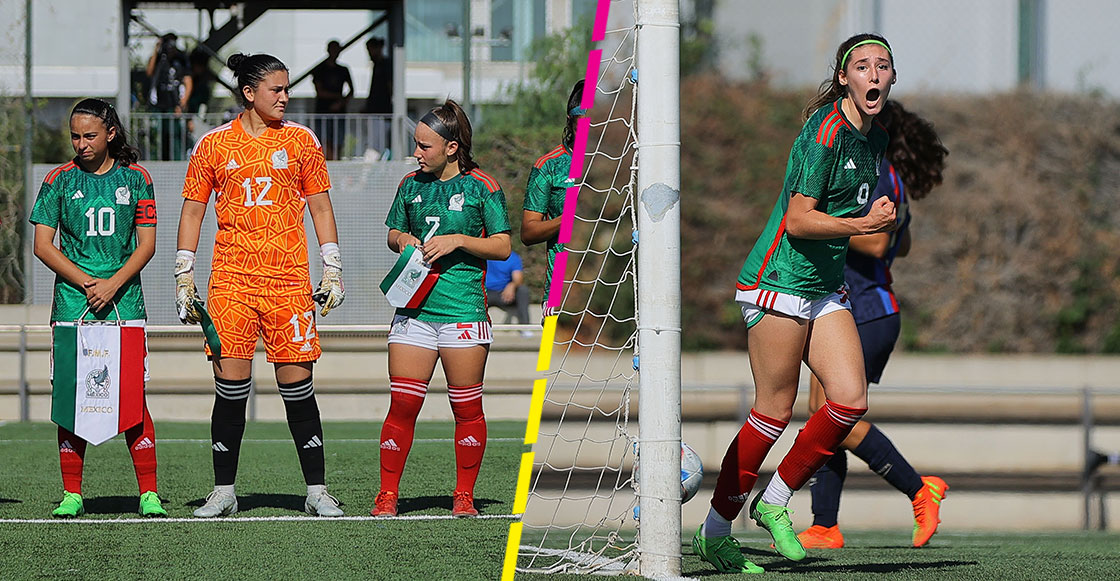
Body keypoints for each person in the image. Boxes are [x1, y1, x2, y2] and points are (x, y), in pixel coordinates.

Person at [691, 33, 898, 574]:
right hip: (778, 279)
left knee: (850, 400)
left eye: (883, 66)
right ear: (843, 79)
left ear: (892, 79)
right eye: (861, 67)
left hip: (824, 286)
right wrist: (864, 223)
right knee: (774, 409)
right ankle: (715, 532)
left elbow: (844, 214)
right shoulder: (824, 132)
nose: (873, 74)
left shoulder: (875, 140)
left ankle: (775, 500)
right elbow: (802, 220)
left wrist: (871, 214)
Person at [175, 52, 347, 518]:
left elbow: (321, 208)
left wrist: (332, 266)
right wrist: (183, 272)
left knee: (299, 388)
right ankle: (224, 492)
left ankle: (316, 491)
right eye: (277, 89)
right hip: (230, 282)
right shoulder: (212, 145)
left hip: (289, 283)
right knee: (230, 389)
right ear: (249, 93)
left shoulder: (301, 141)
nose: (286, 97)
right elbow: (193, 210)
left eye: (287, 88)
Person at [798, 100, 949, 549]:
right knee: (820, 417)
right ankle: (824, 524)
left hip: (864, 309)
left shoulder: (876, 167)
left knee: (832, 417)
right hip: (854, 305)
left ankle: (920, 490)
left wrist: (819, 223)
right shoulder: (884, 171)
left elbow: (880, 241)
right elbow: (901, 246)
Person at [374, 99, 512, 518]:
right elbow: (393, 232)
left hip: (463, 313)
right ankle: (387, 496)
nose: (417, 153)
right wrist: (402, 241)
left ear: (452, 147)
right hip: (414, 312)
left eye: (425, 146)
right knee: (402, 405)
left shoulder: (482, 187)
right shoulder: (409, 185)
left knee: (467, 408)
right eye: (416, 145)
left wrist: (459, 241)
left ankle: (464, 496)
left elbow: (503, 246)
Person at [30, 98, 166, 518]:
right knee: (72, 398)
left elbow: (147, 244)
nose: (81, 143)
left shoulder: (137, 178)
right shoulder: (58, 180)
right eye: (75, 135)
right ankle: (72, 493)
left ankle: (149, 493)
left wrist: (112, 284)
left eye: (90, 135)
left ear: (110, 134)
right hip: (73, 306)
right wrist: (88, 282)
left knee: (132, 397)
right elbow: (42, 245)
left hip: (125, 304)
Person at [520, 80, 585, 318]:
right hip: (560, 288)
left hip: (610, 284)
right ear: (570, 121)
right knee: (553, 354)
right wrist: (570, 219)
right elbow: (528, 233)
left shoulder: (618, 162)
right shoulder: (549, 166)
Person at [146, 33, 191, 160]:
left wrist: (182, 103)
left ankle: (177, 159)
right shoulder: (160, 59)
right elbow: (149, 72)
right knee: (159, 134)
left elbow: (188, 81)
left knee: (174, 134)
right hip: (159, 103)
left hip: (174, 104)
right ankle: (158, 158)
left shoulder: (181, 59)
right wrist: (157, 49)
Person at [311, 40, 353, 160]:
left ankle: (335, 162)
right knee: (324, 141)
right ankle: (328, 164)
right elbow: (320, 92)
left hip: (339, 113)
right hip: (323, 111)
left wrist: (341, 103)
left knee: (338, 141)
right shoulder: (319, 69)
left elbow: (351, 90)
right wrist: (338, 98)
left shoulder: (343, 70)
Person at [362, 36, 393, 153]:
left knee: (377, 146)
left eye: (370, 49)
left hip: (382, 112)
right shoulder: (377, 65)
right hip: (374, 111)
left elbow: (390, 87)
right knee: (373, 143)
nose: (369, 53)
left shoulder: (386, 64)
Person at [485, 251, 530, 325]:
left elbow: (518, 278)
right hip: (485, 293)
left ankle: (525, 326)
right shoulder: (485, 253)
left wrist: (512, 285)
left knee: (523, 290)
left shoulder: (513, 257)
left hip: (503, 295)